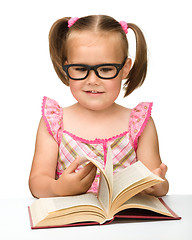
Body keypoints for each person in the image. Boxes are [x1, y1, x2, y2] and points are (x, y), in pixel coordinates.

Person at [29, 15, 169, 199]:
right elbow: (37, 182)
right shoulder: (55, 121)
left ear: (125, 68)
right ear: (67, 68)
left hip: (129, 225)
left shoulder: (139, 123)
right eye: (80, 69)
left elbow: (158, 181)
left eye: (106, 69)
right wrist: (58, 189)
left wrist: (157, 185)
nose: (92, 80)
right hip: (70, 226)